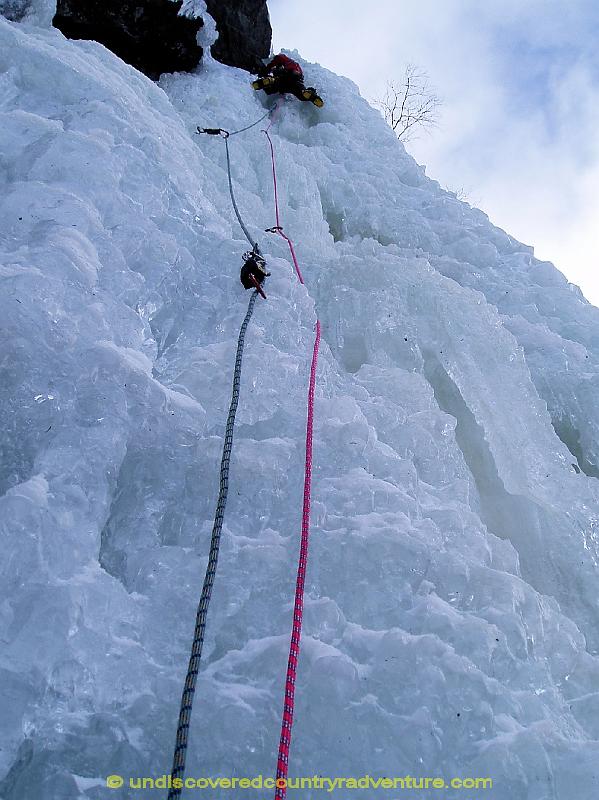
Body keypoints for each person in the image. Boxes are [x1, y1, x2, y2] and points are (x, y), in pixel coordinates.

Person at [252, 54, 324, 108]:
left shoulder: (286, 60)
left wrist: (268, 68)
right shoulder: (296, 66)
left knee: (272, 87)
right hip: (296, 79)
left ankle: (269, 81)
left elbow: (279, 58)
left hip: (285, 76)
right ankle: (311, 95)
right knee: (301, 94)